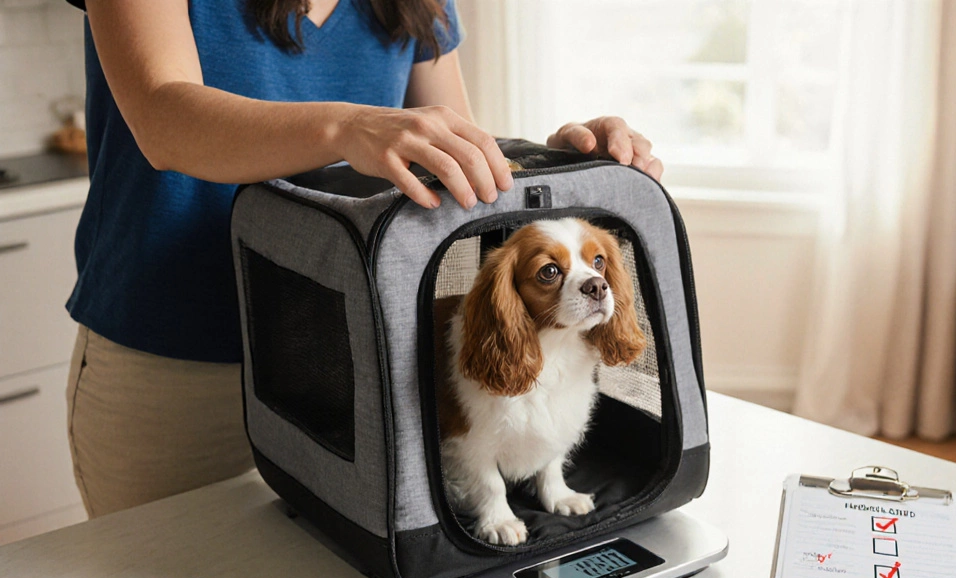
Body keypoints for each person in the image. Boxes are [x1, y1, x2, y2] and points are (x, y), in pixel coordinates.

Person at [64, 0, 663, 518]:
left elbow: (456, 160)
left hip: (349, 368)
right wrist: (348, 126)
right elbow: (163, 118)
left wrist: (554, 164)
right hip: (174, 369)